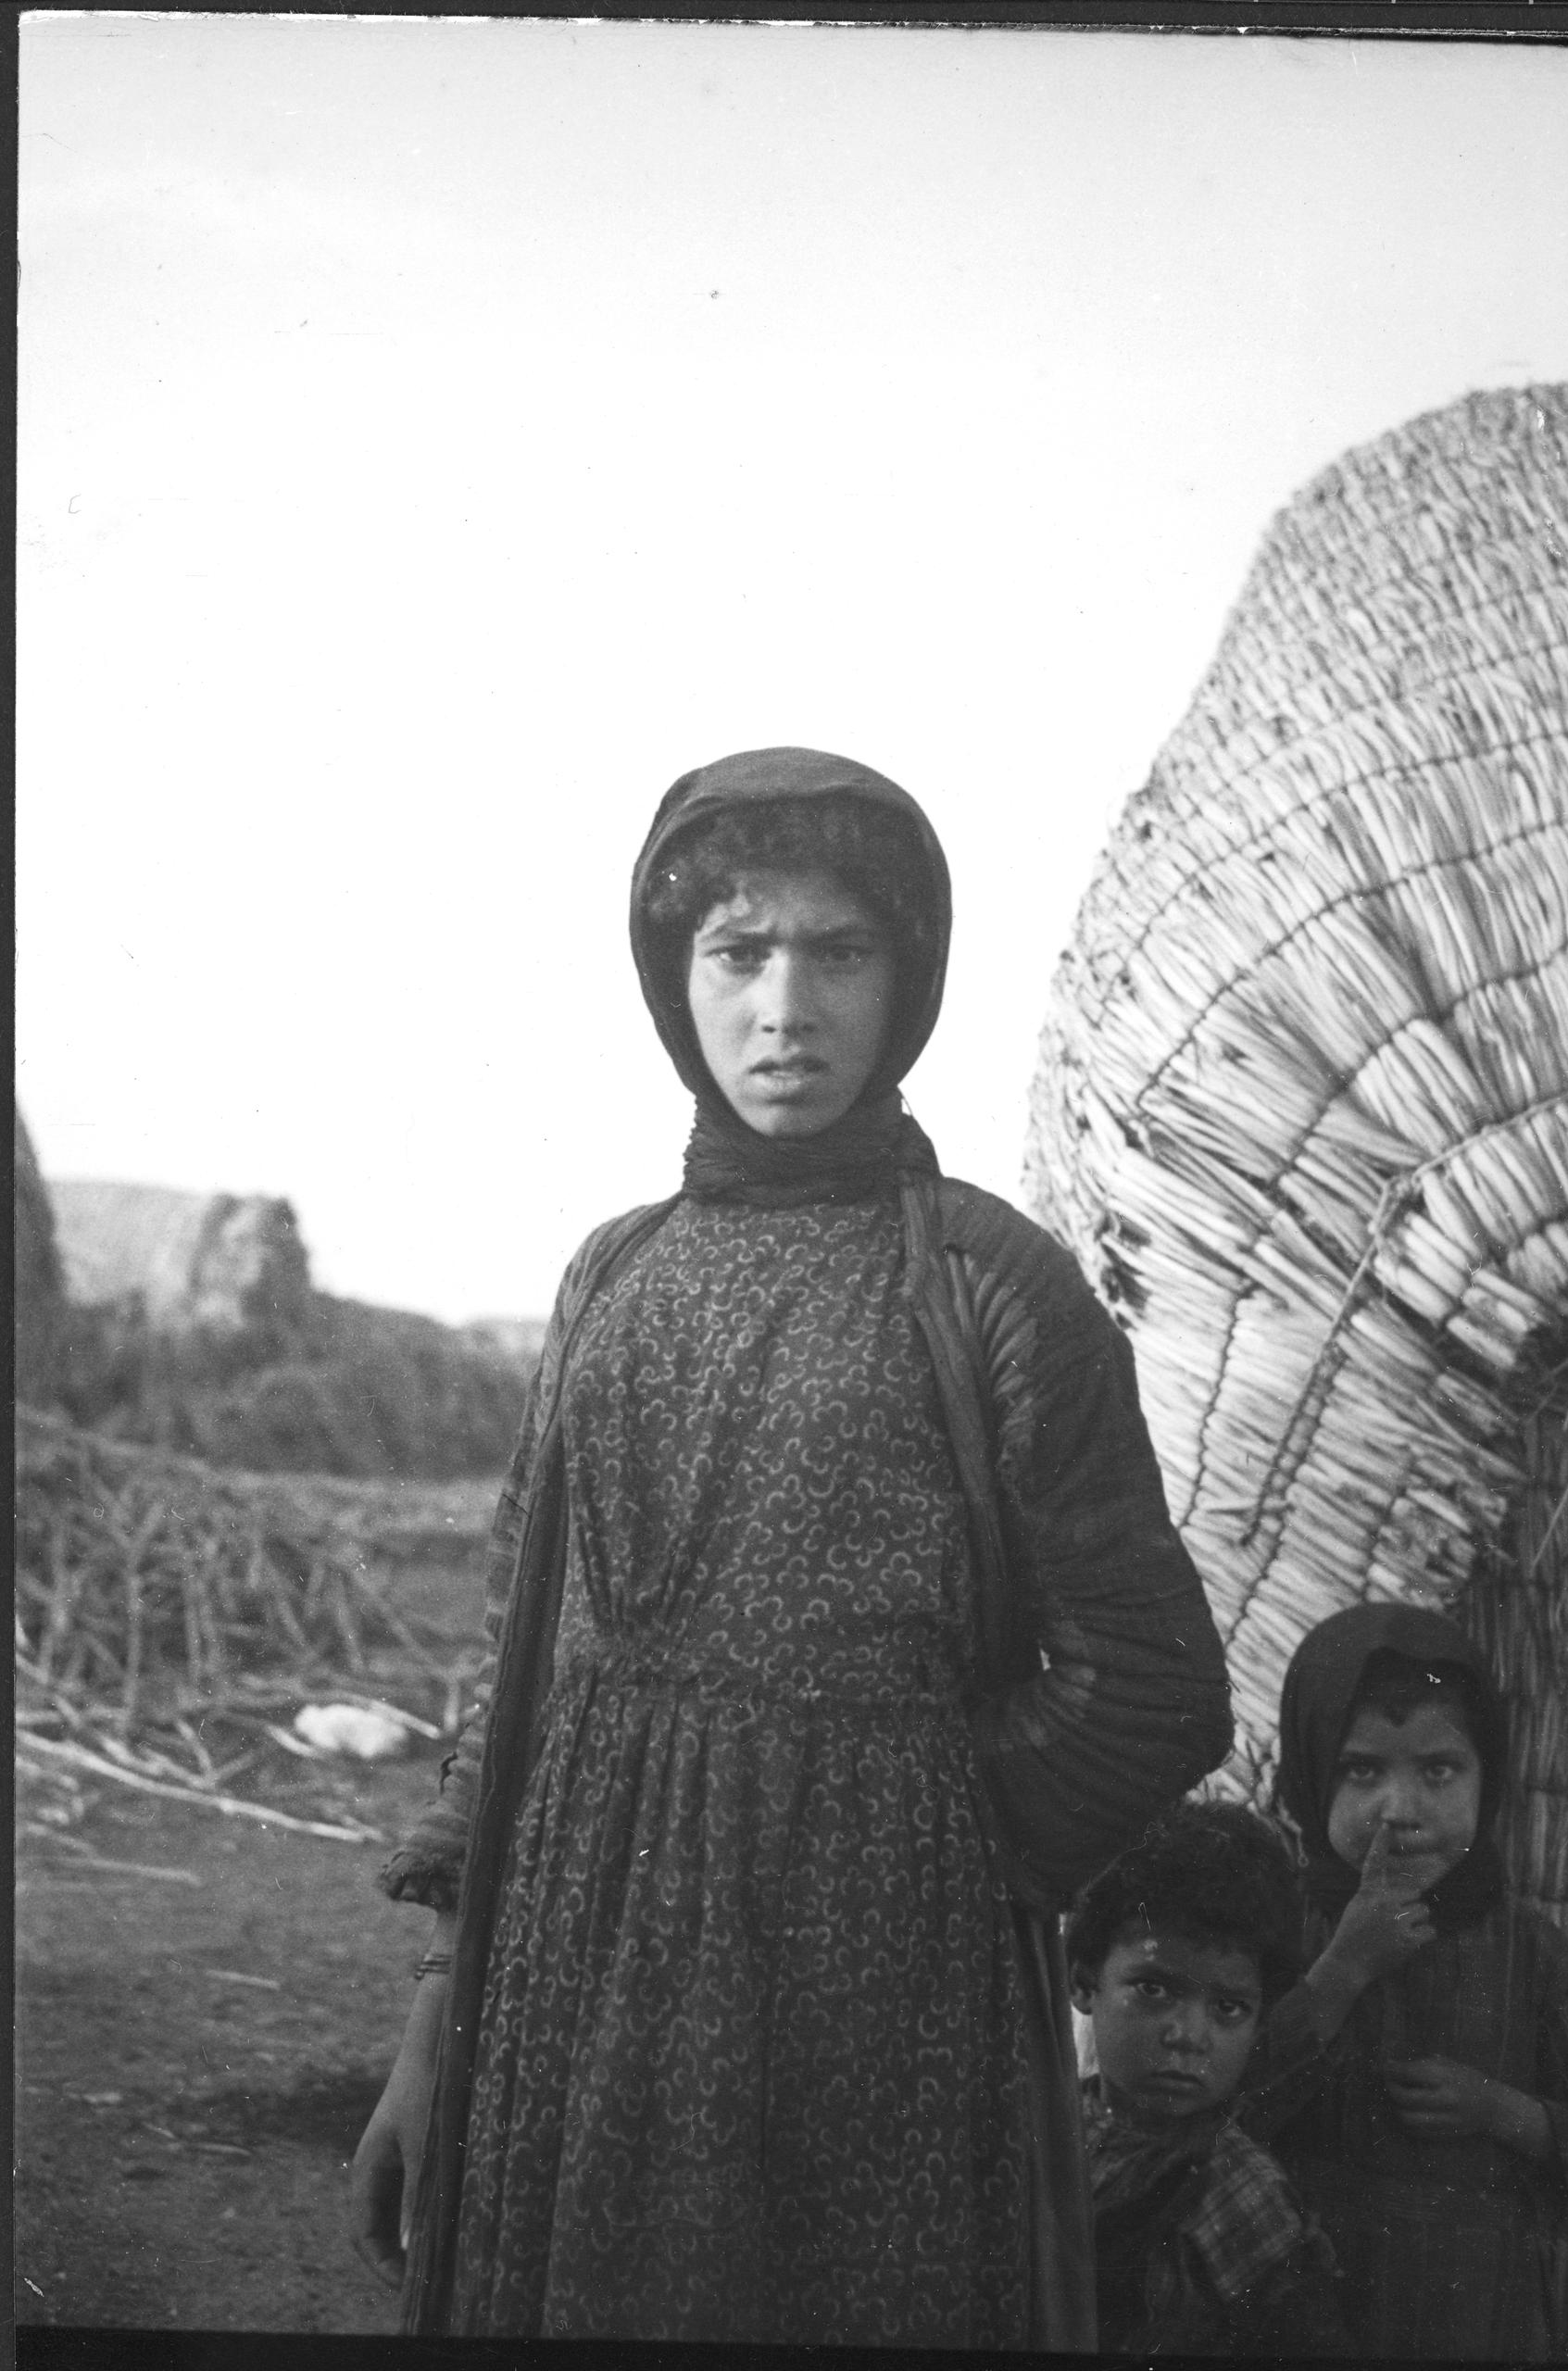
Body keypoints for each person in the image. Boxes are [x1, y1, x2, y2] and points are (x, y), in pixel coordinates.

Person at [347, 746, 1233, 2347]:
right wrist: (439, 2017)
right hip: (580, 1967)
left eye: (840, 953)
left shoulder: (988, 1287)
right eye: (736, 952)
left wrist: (916, 1841)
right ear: (668, 976)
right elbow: (525, 1658)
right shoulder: (610, 1280)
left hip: (871, 2005)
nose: (784, 1007)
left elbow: (1154, 1681)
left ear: (907, 980)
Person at [1242, 1600, 1568, 2360]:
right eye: (1360, 1770)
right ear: (1307, 1768)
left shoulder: (1526, 1950)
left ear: (1485, 1777)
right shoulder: (1271, 1928)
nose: (1399, 1810)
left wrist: (1501, 2111)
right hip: (1289, 2306)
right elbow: (1214, 2112)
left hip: (1468, 2319)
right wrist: (1342, 1969)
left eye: (1438, 1770)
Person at [1068, 1801, 1352, 2355]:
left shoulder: (1238, 2190)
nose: (1189, 2035)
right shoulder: (1055, 2131)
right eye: (1154, 1989)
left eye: (1228, 2007)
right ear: (1083, 1982)